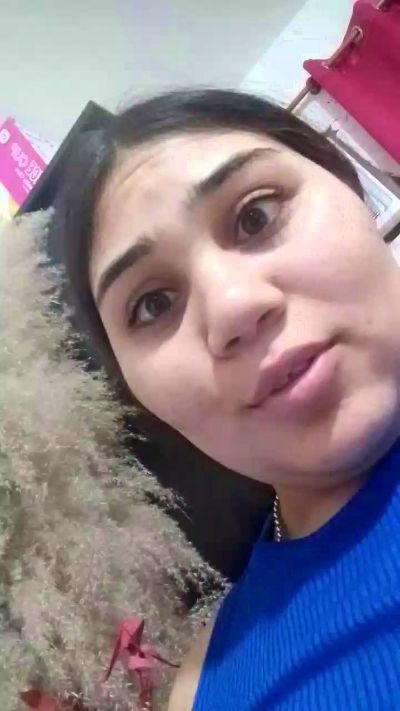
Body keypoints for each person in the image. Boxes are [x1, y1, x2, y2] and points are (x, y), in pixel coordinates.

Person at [59, 89, 400, 710]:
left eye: (255, 216)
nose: (234, 307)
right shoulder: (202, 686)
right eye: (153, 304)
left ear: (353, 189)